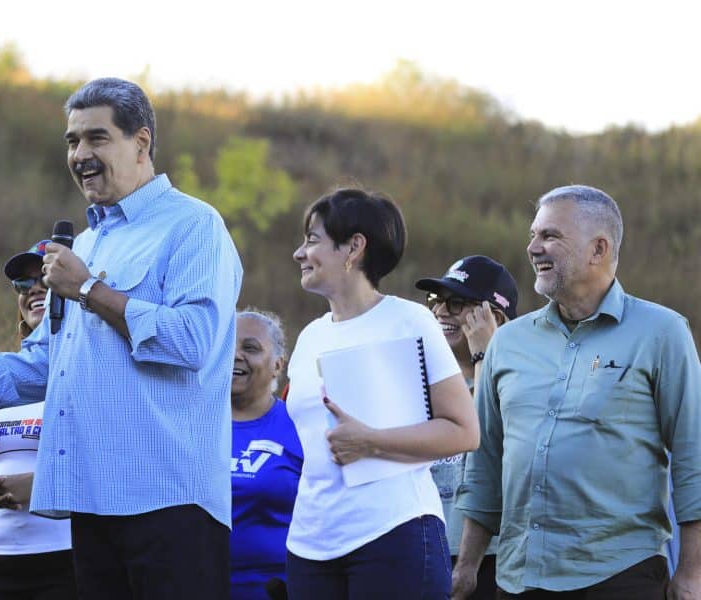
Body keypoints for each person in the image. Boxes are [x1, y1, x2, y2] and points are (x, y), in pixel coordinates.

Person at [0, 77, 243, 599]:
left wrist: (89, 289)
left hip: (171, 504)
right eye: (72, 141)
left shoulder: (194, 226)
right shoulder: (86, 245)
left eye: (97, 138)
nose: (80, 155)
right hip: (91, 508)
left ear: (141, 142)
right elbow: (43, 367)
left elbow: (192, 342)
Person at [455, 184, 701, 599]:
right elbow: (485, 463)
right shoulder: (507, 342)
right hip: (519, 579)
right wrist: (467, 566)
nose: (533, 247)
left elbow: (694, 455)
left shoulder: (662, 332)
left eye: (550, 236)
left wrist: (692, 573)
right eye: (533, 235)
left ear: (598, 249)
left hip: (621, 574)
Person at [285, 188, 480, 599]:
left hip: (394, 534)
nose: (299, 253)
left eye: (313, 240)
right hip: (310, 544)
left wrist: (370, 441)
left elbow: (464, 431)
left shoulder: (409, 321)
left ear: (354, 247)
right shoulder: (309, 337)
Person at [0, 240, 76, 599]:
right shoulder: (5, 380)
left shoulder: (85, 374)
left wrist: (36, 486)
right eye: (23, 284)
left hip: (67, 556)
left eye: (44, 279)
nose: (33, 290)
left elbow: (105, 467)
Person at [415, 255, 520, 600]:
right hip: (427, 554)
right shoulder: (424, 385)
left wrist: (484, 356)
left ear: (495, 317)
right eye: (436, 300)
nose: (440, 311)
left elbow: (484, 439)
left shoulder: (519, 383)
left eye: (456, 303)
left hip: (491, 560)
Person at [230, 309, 302, 600]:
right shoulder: (190, 425)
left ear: (277, 365)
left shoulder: (300, 428)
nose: (235, 355)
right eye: (227, 344)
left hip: (278, 589)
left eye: (250, 348)